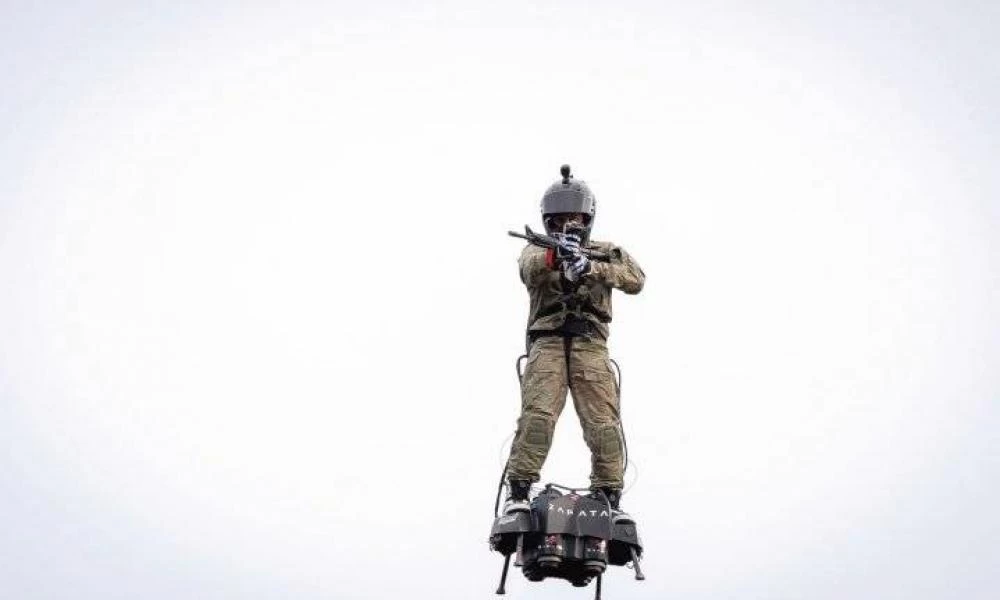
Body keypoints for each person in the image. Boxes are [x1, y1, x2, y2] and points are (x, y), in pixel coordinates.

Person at [504, 165, 645, 523]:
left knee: (603, 423)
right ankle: (518, 491)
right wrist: (557, 258)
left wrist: (589, 268)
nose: (569, 224)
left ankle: (609, 494)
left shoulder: (606, 251)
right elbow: (528, 269)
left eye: (575, 217)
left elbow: (636, 279)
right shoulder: (536, 249)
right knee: (537, 417)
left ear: (587, 218)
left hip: (590, 346)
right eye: (561, 219)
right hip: (548, 345)